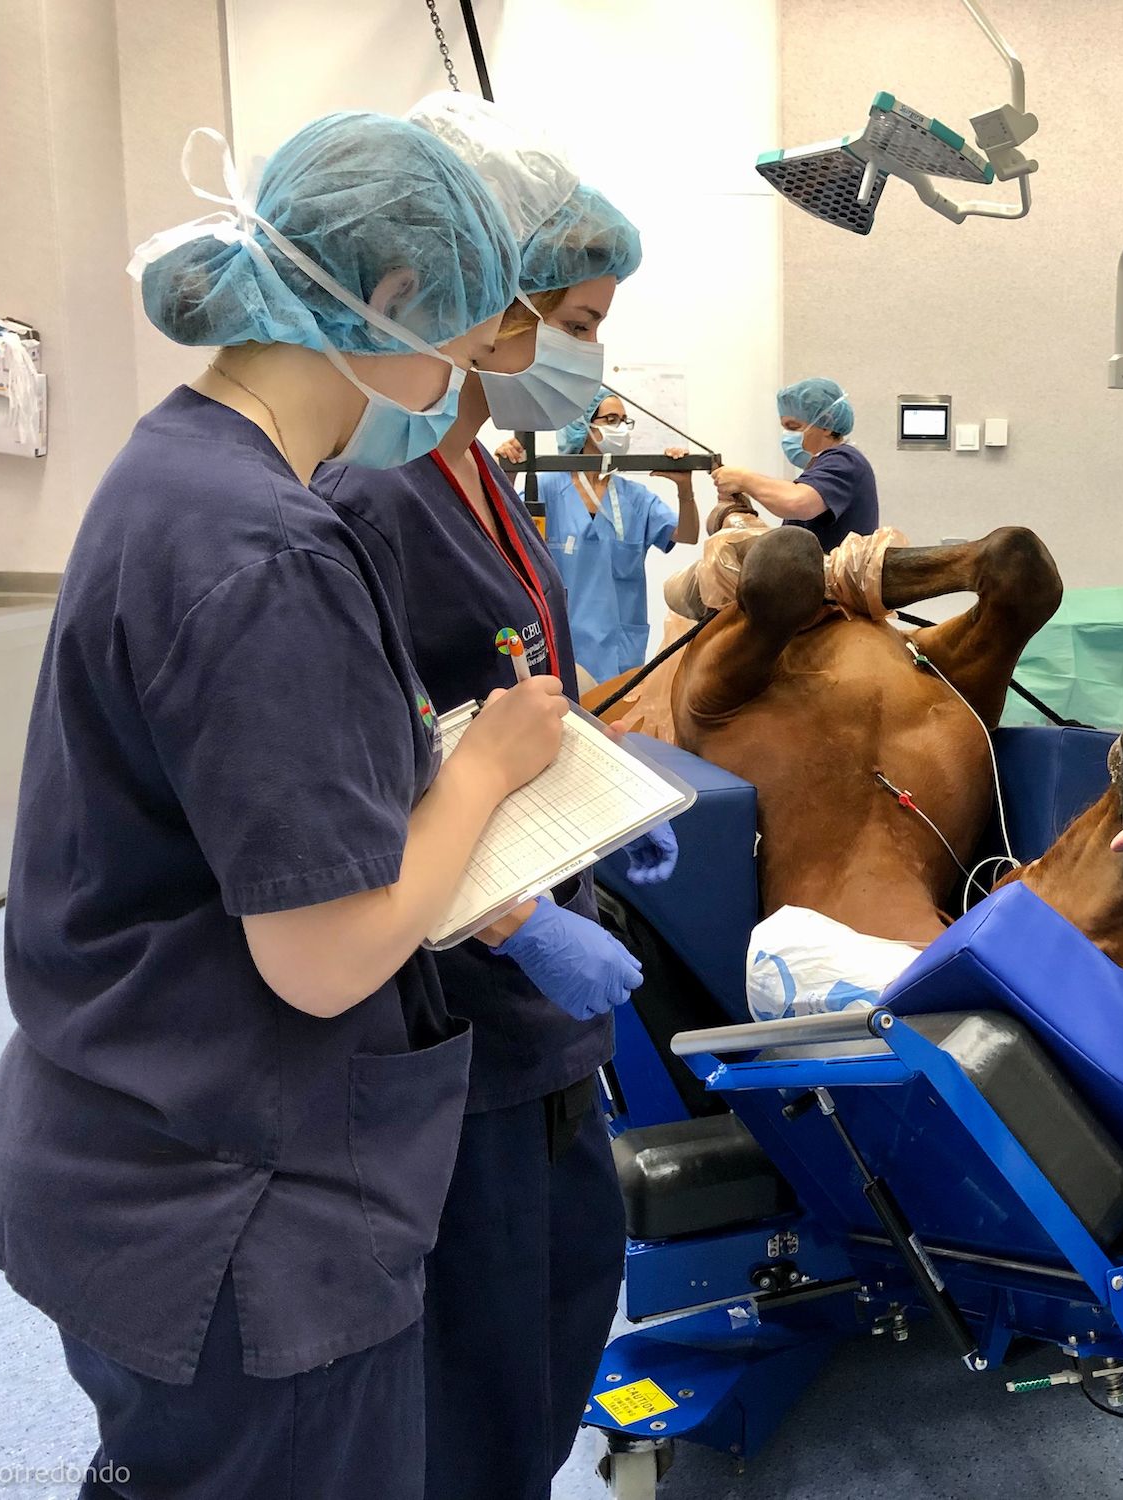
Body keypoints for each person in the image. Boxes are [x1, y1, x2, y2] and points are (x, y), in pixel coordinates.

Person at [0, 113, 572, 1498]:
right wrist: (479, 776)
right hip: (227, 1203)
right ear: (395, 299)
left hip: (118, 1133)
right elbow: (323, 956)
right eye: (470, 335)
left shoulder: (176, 471)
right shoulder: (265, 549)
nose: (465, 375)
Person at [312, 96, 671, 1500]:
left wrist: (598, 809)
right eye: (572, 318)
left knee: (552, 1320)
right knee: (478, 1378)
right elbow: (367, 776)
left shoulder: (481, 474)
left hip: (530, 1024)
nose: (585, 354)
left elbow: (506, 699)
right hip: (458, 1005)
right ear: (474, 301)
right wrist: (520, 915)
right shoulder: (375, 495)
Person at [528, 387, 700, 682]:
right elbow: (508, 535)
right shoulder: (546, 488)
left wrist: (685, 489)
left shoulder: (634, 498)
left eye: (624, 420)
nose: (620, 428)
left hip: (620, 649)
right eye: (611, 419)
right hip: (563, 641)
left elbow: (687, 534)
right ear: (583, 425)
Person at [712, 376, 878, 549]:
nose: (787, 435)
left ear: (826, 424)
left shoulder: (844, 461)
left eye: (793, 427)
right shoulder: (823, 466)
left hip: (832, 576)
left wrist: (743, 479)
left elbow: (796, 501)